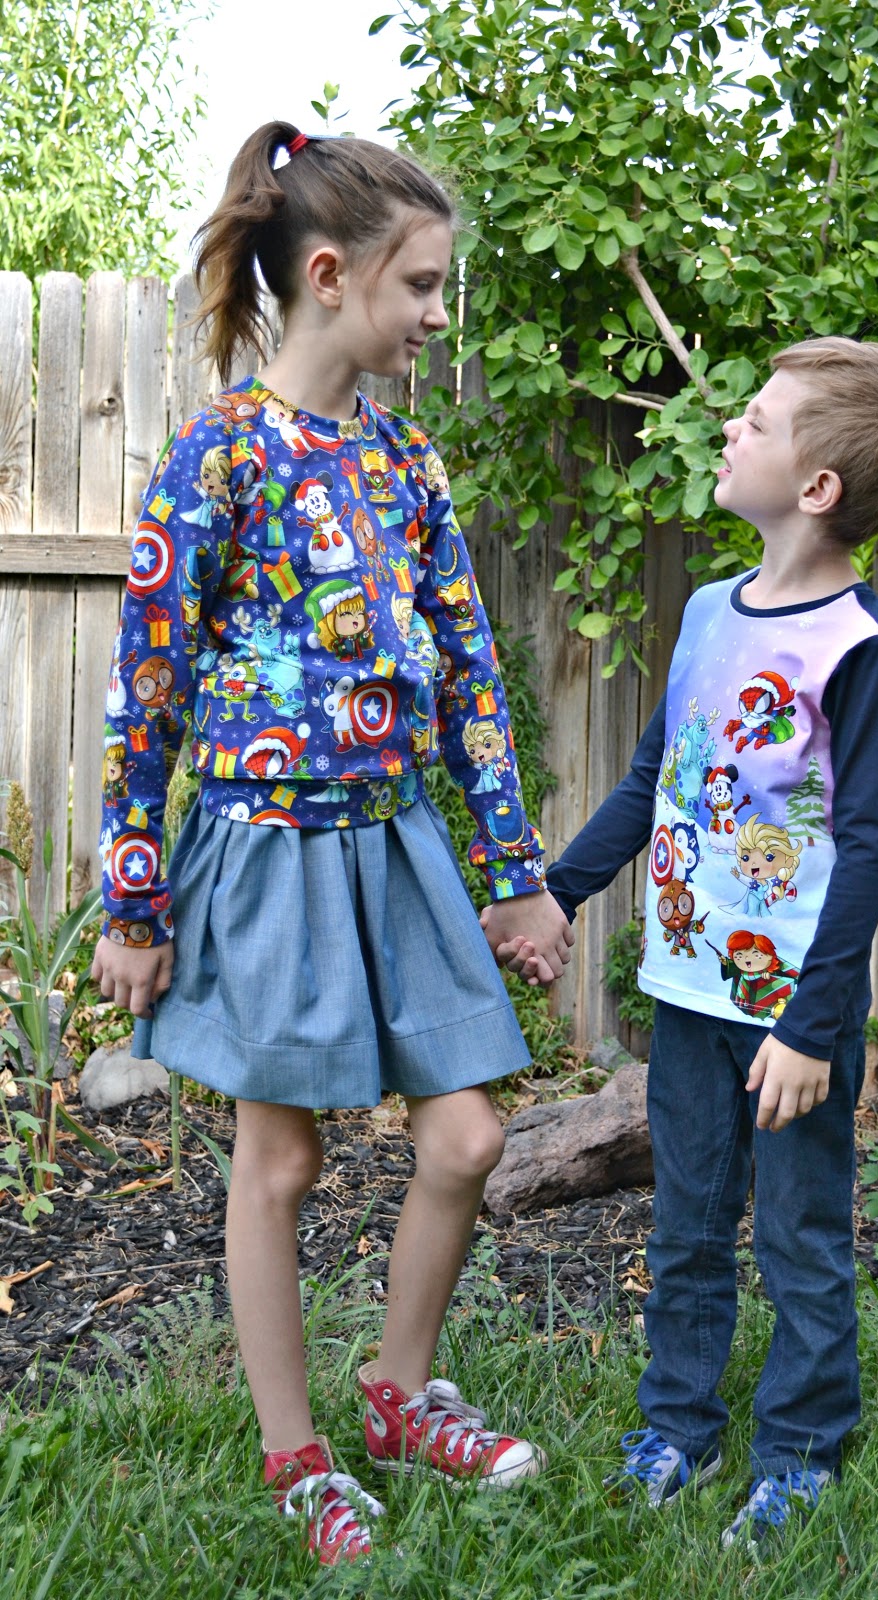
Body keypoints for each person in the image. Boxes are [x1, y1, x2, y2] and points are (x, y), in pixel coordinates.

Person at [91, 121, 573, 1567]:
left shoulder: (405, 461)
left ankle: (397, 1392)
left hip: (397, 843)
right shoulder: (218, 455)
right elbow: (147, 689)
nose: (436, 315)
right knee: (282, 1158)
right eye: (420, 286)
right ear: (327, 276)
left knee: (468, 1133)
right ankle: (295, 1455)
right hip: (267, 849)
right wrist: (131, 898)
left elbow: (469, 677)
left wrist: (513, 876)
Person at [484, 337, 878, 1552]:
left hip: (790, 1019)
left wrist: (811, 1023)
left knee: (799, 1235)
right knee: (686, 1223)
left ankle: (799, 1449)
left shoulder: (856, 647)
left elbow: (865, 848)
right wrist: (557, 892)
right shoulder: (709, 611)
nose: (729, 429)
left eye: (754, 419)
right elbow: (655, 778)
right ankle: (678, 1428)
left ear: (815, 486)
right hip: (687, 990)